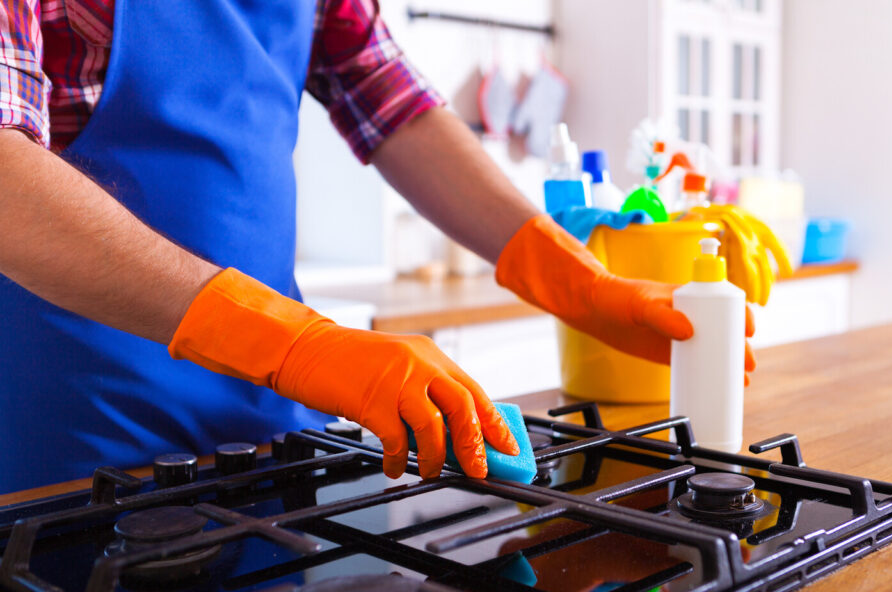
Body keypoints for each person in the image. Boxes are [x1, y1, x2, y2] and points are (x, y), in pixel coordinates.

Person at [0, 0, 751, 494]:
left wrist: (574, 278)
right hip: (81, 429)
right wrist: (298, 344)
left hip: (272, 420)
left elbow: (389, 98)